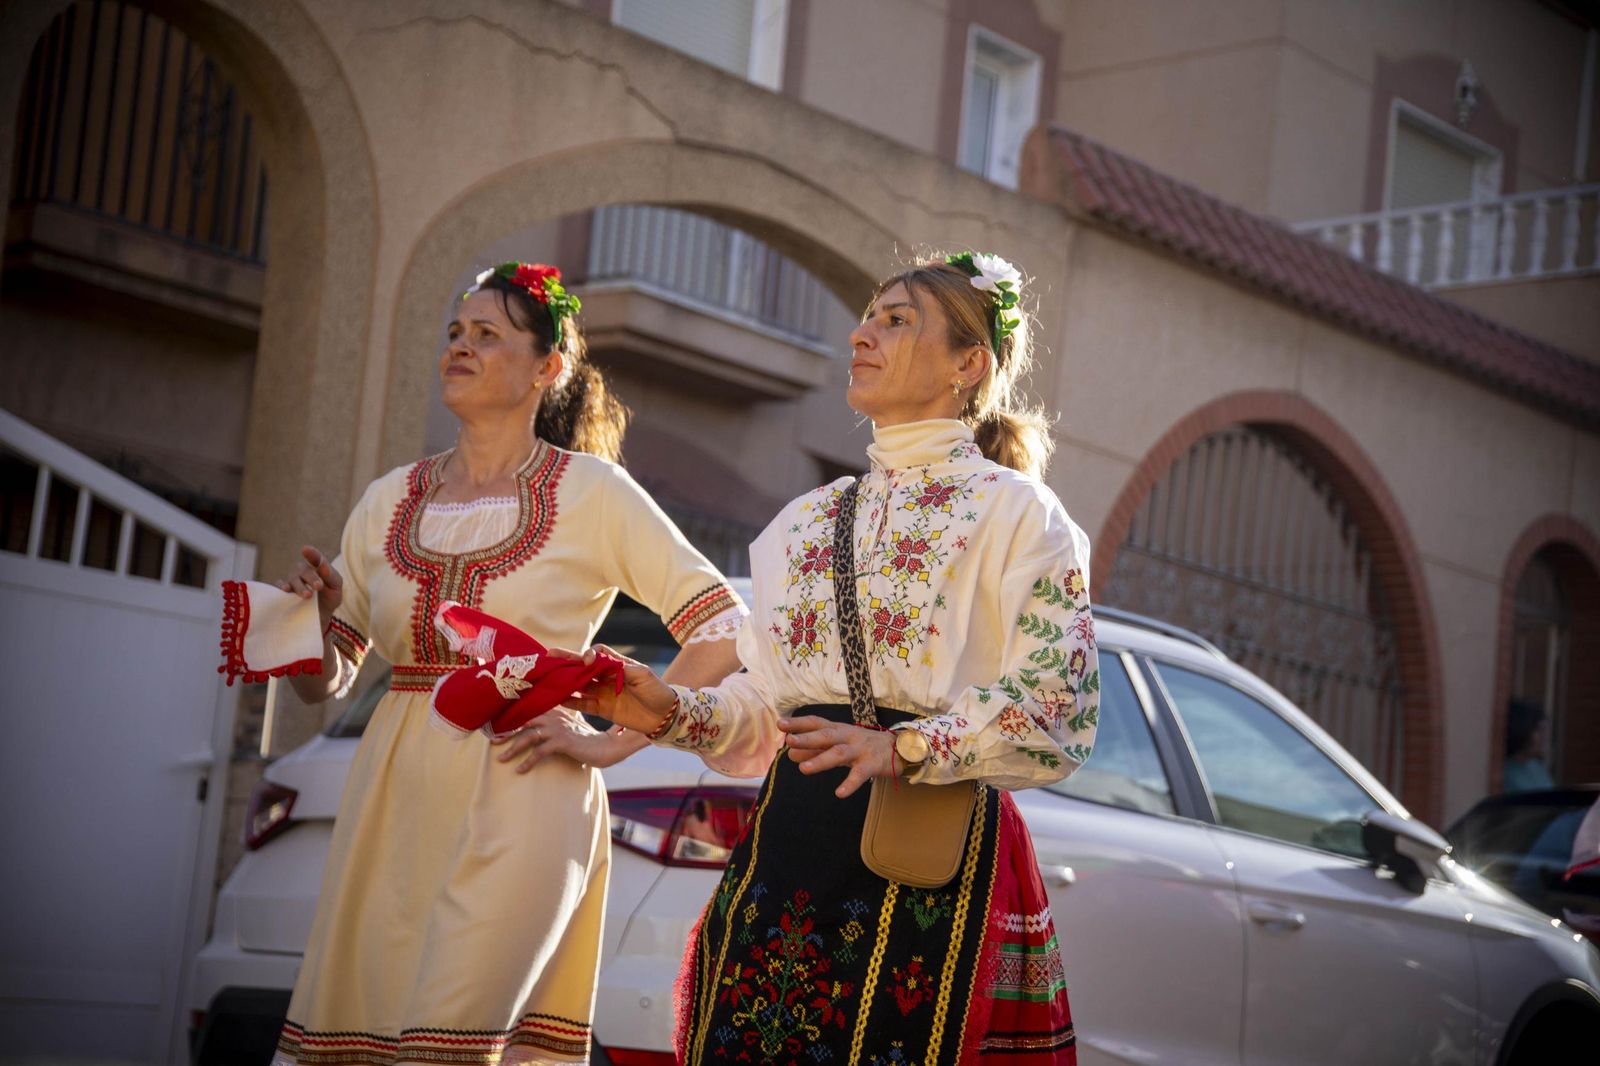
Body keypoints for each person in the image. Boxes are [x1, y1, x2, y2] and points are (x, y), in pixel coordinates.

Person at [570, 252, 1099, 1064]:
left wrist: (904, 745)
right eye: (868, 315)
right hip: (787, 854)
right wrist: (671, 712)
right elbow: (764, 710)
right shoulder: (805, 523)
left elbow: (1060, 700)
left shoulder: (1019, 514)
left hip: (923, 859)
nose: (862, 334)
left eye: (896, 320)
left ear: (969, 363)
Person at [266, 261, 746, 1065]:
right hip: (390, 807)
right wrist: (310, 625)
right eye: (455, 333)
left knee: (453, 1044)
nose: (461, 346)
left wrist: (614, 738)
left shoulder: (594, 492)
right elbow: (325, 685)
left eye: (488, 335)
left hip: (524, 788)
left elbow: (724, 627)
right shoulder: (388, 499)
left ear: (547, 367)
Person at [1503, 698, 1556, 792]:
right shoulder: (1506, 774)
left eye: (1545, 730)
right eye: (1539, 730)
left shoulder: (1538, 769)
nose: (1545, 737)